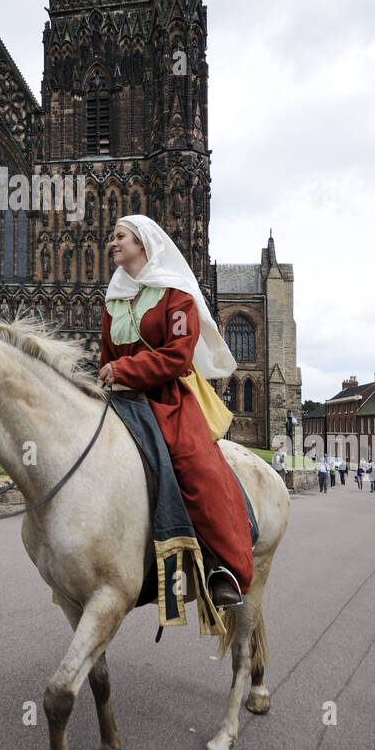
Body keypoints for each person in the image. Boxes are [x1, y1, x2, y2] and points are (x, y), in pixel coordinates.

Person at [99, 214, 252, 608]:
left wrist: (123, 370)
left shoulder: (175, 295)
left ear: (143, 244)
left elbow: (177, 356)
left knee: (195, 465)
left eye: (120, 237)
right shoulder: (114, 299)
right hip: (120, 398)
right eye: (112, 238)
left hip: (168, 396)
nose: (112, 243)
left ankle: (223, 566)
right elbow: (105, 357)